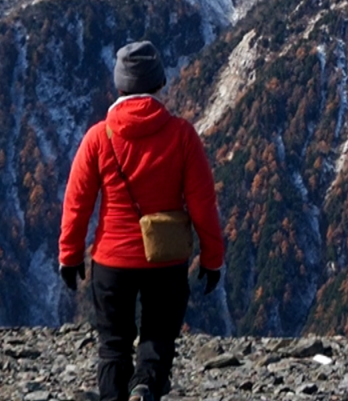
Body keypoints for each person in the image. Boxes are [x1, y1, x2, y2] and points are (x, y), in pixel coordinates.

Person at [60, 40, 226, 401]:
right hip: (165, 260)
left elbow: (77, 203)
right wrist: (212, 258)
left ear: (119, 85)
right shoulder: (182, 135)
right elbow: (203, 205)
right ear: (159, 84)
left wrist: (69, 255)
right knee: (158, 336)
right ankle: (146, 386)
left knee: (113, 346)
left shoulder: (98, 137)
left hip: (111, 260)